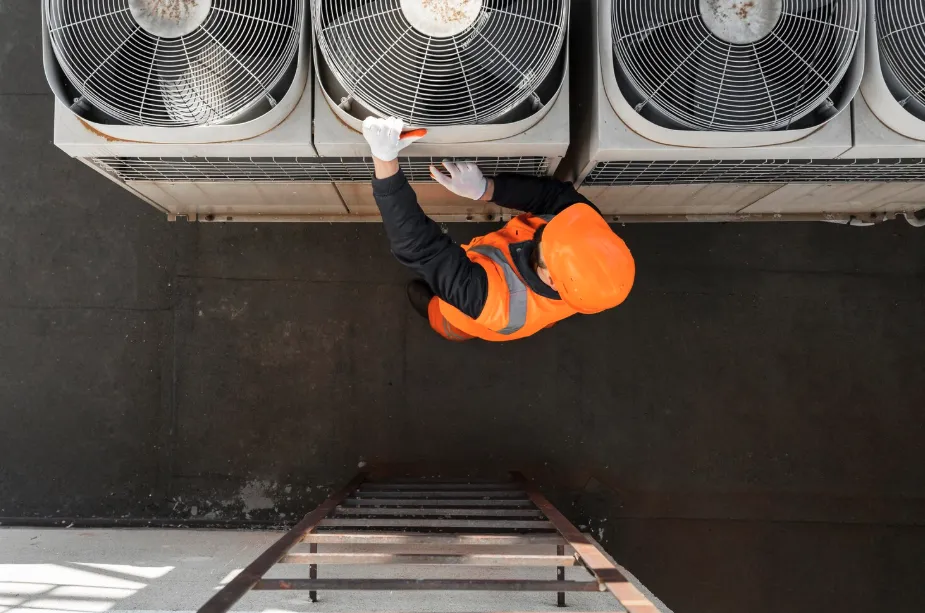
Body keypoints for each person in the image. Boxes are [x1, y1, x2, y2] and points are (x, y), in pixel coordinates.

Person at [362, 116, 635, 342]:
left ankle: (434, 312)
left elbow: (419, 248)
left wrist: (384, 161)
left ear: (551, 279)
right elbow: (552, 197)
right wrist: (487, 189)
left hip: (468, 316)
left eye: (548, 241)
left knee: (448, 320)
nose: (547, 227)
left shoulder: (493, 302)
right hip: (534, 304)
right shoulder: (586, 230)